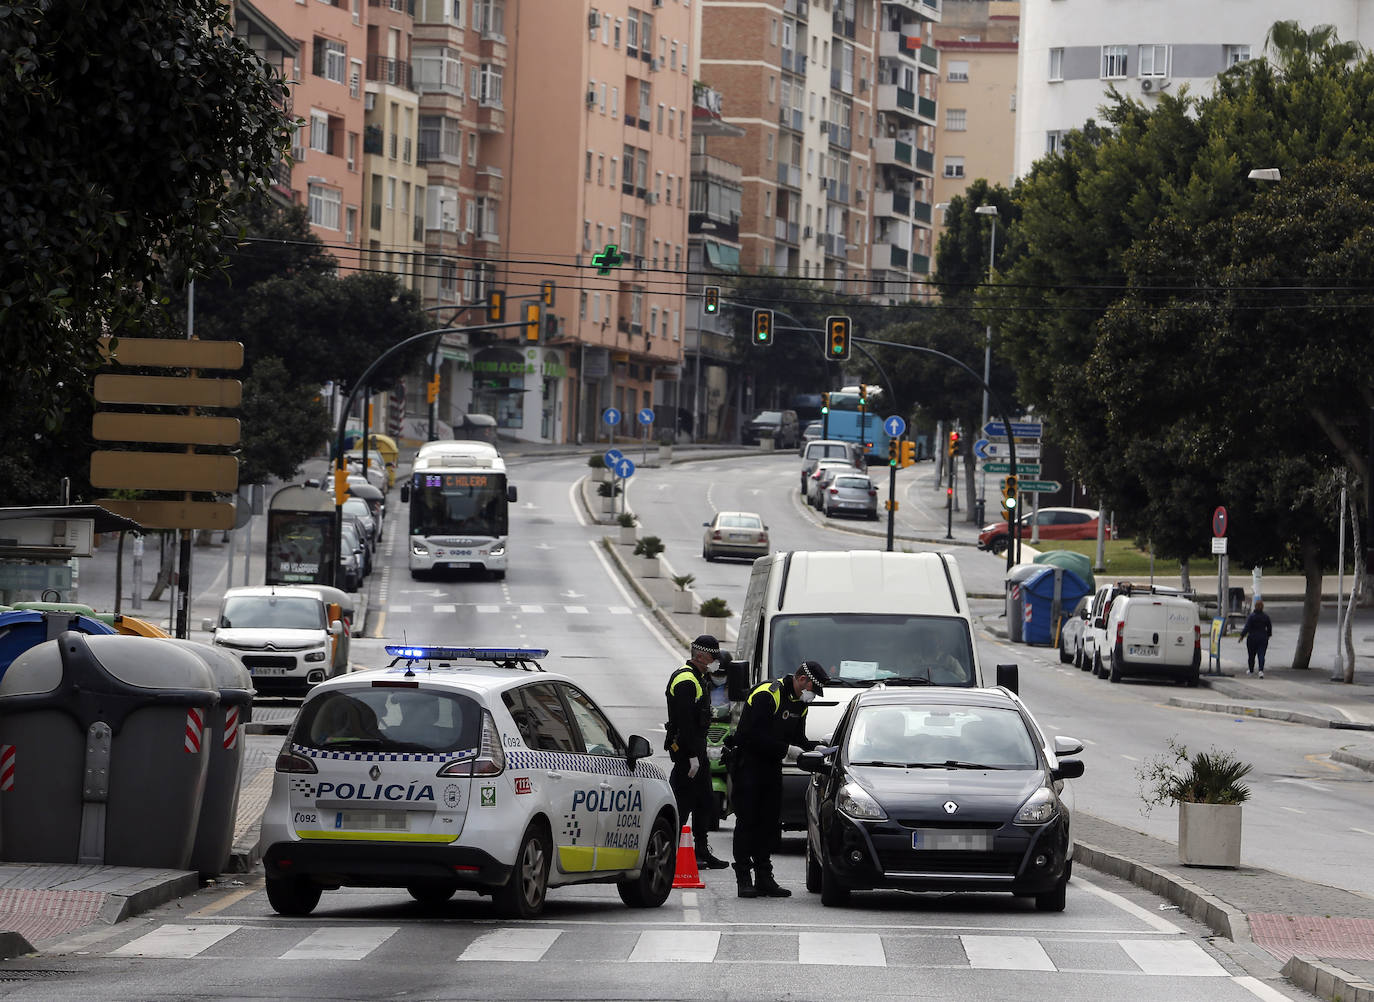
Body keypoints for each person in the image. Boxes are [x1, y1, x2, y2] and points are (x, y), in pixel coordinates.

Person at [730, 659, 830, 898]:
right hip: (748, 766)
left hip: (771, 768)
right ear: (802, 680)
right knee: (747, 822)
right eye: (812, 691)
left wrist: (815, 747)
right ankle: (744, 876)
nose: (812, 696)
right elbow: (754, 736)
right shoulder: (768, 694)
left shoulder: (800, 703)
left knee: (768, 823)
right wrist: (788, 749)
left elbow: (798, 738)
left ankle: (764, 876)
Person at [665, 635, 729, 869]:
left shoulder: (698, 677)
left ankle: (702, 850)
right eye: (713, 657)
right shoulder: (685, 680)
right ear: (700, 656)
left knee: (705, 800)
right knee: (682, 802)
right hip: (686, 751)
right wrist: (692, 756)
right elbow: (684, 723)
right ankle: (671, 850)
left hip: (697, 750)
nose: (715, 662)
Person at [1238, 600, 1273, 677]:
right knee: (1261, 654)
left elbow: (1247, 627)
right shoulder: (1266, 617)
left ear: (1255, 607)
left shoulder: (1251, 616)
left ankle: (1251, 670)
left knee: (1251, 655)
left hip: (1252, 638)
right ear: (1262, 607)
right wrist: (1268, 635)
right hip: (1263, 638)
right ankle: (1261, 670)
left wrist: (1242, 636)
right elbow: (1269, 627)